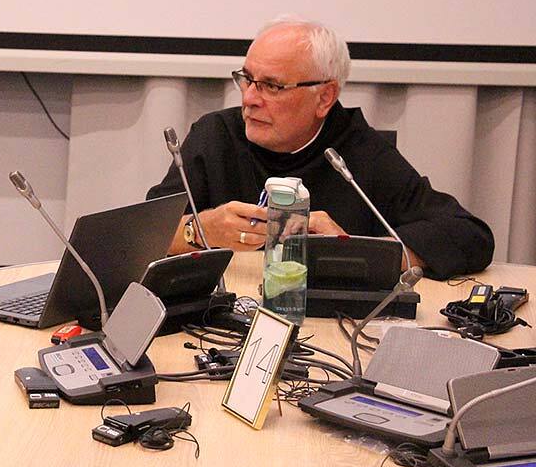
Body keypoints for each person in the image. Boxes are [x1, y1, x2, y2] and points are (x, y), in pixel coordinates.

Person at [147, 15, 494, 280]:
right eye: (247, 79)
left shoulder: (357, 151)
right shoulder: (216, 135)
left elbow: (470, 235)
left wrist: (356, 252)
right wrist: (200, 230)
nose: (250, 99)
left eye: (271, 86)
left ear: (324, 97)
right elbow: (140, 236)